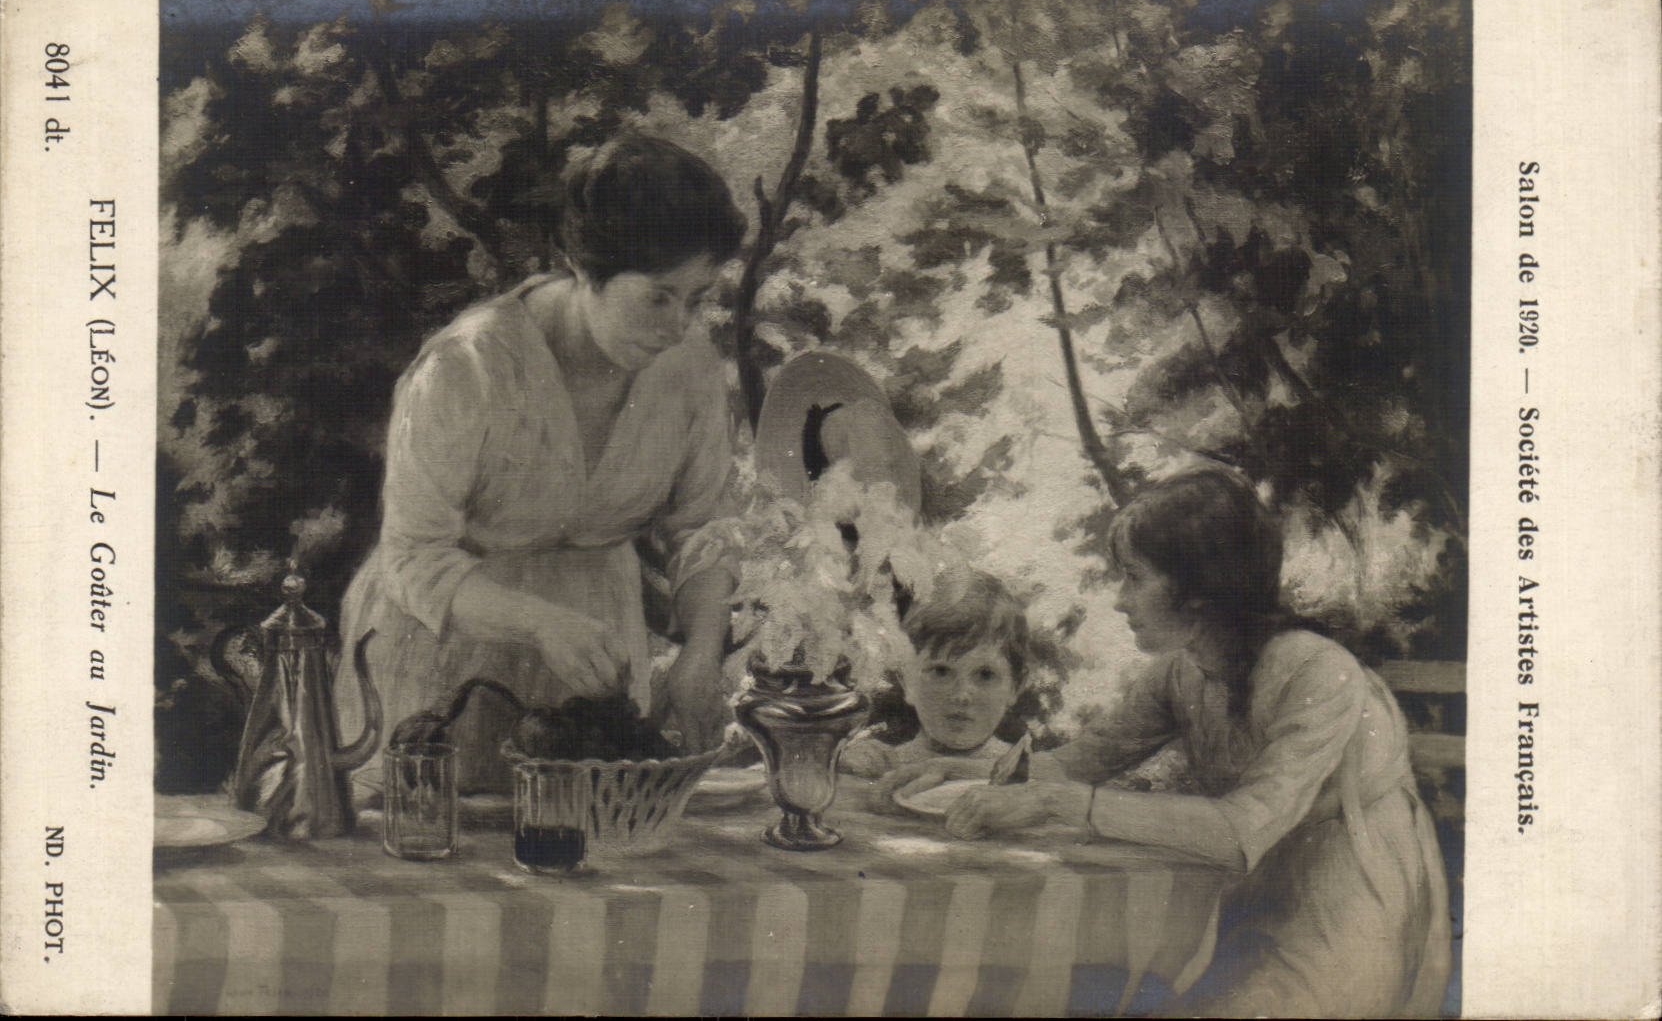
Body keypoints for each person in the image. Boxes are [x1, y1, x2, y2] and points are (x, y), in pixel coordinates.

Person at [881, 468, 1451, 1017]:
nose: (1120, 601)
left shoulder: (1319, 672)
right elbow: (1076, 764)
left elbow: (1240, 831)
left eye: (1134, 577)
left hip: (1354, 916)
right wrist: (962, 778)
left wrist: (1067, 804)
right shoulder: (1181, 674)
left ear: (1199, 588)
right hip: (1244, 910)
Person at [338, 134, 747, 793]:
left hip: (593, 665)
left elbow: (703, 531)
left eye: (696, 299)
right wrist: (541, 623)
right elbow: (412, 555)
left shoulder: (689, 370)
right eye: (659, 297)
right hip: (443, 651)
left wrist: (701, 652)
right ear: (586, 272)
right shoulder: (467, 366)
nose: (679, 326)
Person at [839, 567, 1032, 777]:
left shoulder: (1027, 771)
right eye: (941, 671)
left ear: (1016, 685)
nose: (961, 696)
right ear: (907, 681)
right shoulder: (883, 766)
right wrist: (845, 768)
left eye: (985, 675)